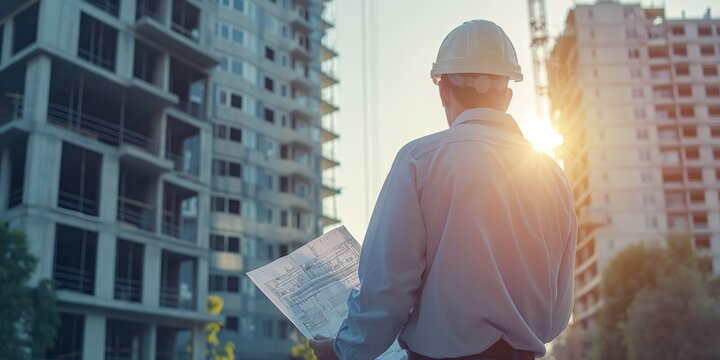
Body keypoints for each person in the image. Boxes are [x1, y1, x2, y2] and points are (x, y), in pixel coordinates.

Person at [310, 20, 577, 360]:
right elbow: (555, 318)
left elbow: (387, 289)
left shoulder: (419, 161)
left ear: (443, 90)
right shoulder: (554, 177)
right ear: (508, 97)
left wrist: (343, 351)